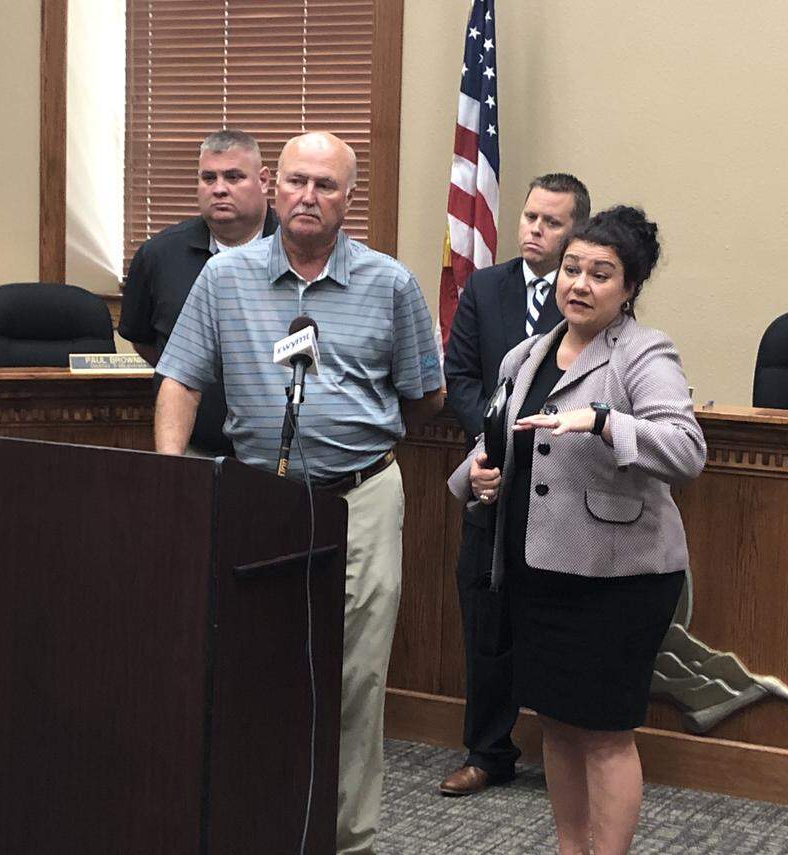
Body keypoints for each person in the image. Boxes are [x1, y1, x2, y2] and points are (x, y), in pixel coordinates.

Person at [154, 132, 445, 855]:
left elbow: (425, 396)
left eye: (326, 185)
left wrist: (353, 434)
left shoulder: (390, 284)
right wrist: (171, 477)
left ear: (349, 198)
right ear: (272, 188)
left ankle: (346, 841)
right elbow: (181, 378)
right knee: (257, 665)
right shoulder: (224, 278)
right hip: (260, 496)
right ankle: (261, 824)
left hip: (361, 496)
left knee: (356, 676)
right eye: (296, 181)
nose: (308, 196)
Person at [448, 206, 706, 855]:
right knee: (557, 725)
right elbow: (498, 434)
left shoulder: (643, 352)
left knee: (605, 733)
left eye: (600, 273)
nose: (580, 284)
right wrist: (476, 474)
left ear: (629, 287)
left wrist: (603, 421)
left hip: (616, 578)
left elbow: (685, 450)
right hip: (536, 571)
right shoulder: (527, 353)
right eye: (571, 269)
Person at [440, 173, 590, 796]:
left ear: (576, 232)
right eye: (530, 217)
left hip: (562, 480)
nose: (534, 230)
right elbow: (461, 377)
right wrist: (493, 441)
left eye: (551, 222)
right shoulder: (485, 286)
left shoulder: (591, 295)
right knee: (486, 621)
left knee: (559, 625)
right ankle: (488, 751)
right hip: (491, 477)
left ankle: (572, 753)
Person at [119, 128, 277, 455]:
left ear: (263, 181)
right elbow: (146, 342)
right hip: (194, 448)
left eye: (233, 177)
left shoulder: (298, 251)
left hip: (282, 455)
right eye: (209, 178)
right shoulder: (158, 255)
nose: (219, 189)